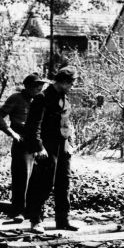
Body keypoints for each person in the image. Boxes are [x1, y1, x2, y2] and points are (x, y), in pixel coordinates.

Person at [24, 67, 79, 234]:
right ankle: (36, 220)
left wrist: (70, 142)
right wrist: (39, 147)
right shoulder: (42, 98)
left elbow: (67, 123)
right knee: (43, 183)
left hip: (62, 147)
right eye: (70, 83)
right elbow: (34, 125)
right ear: (61, 81)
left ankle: (63, 219)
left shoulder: (64, 99)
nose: (72, 86)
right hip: (47, 147)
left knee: (64, 183)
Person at [0, 73, 48, 222]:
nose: (39, 88)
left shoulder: (41, 100)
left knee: (38, 179)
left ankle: (34, 212)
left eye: (41, 85)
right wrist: (11, 133)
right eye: (36, 85)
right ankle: (18, 212)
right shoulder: (16, 98)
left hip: (38, 143)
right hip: (22, 143)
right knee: (21, 178)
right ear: (28, 86)